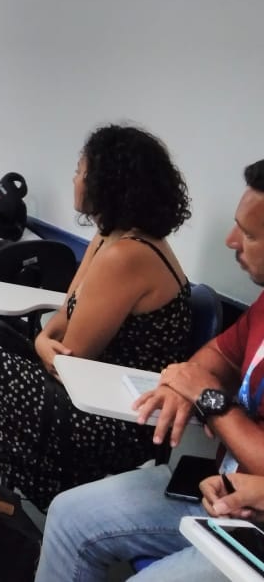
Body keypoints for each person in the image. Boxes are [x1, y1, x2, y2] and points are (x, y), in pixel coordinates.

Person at [0, 124, 195, 511]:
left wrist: (46, 345)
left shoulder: (127, 255)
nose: (74, 178)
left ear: (107, 182)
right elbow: (65, 315)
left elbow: (69, 358)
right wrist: (39, 341)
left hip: (104, 421)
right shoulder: (110, 238)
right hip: (79, 390)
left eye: (81, 170)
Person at [35, 159, 264, 581]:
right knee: (69, 515)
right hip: (226, 491)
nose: (232, 241)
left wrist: (210, 400)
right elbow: (220, 355)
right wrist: (183, 381)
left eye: (249, 234)